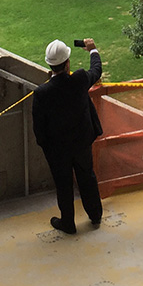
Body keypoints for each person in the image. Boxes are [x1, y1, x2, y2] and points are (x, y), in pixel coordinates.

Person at [31, 38, 104, 234]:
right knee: (87, 177)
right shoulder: (79, 79)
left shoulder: (42, 93)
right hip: (81, 143)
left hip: (57, 150)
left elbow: (39, 127)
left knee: (63, 184)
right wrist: (93, 50)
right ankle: (95, 215)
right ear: (68, 62)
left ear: (49, 64)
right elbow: (96, 71)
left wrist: (46, 147)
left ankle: (68, 223)